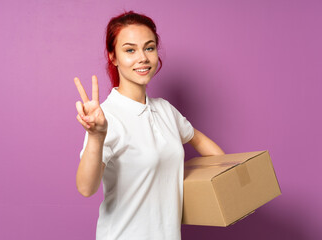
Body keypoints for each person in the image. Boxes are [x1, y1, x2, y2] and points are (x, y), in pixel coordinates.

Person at [74, 11, 224, 240]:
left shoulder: (165, 110)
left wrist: (230, 177)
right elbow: (86, 188)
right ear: (113, 56)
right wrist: (96, 135)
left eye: (149, 48)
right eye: (130, 50)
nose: (142, 57)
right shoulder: (106, 117)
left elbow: (198, 139)